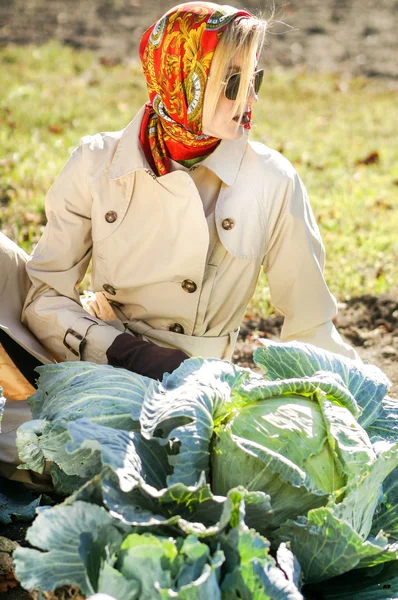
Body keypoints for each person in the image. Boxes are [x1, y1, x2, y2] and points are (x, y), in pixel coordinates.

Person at [0, 1, 358, 483]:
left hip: (194, 395)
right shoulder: (96, 161)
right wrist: (128, 353)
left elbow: (313, 327)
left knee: (85, 465)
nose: (248, 99)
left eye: (256, 79)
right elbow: (45, 297)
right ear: (181, 76)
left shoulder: (271, 180)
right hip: (91, 359)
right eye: (232, 83)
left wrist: (354, 416)